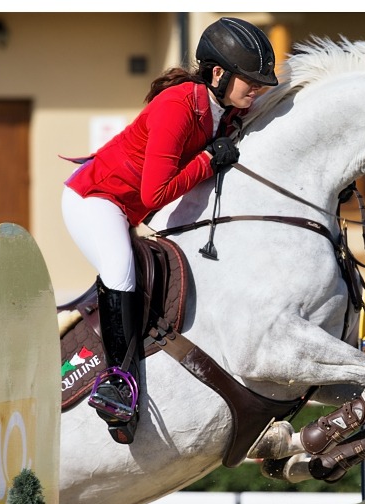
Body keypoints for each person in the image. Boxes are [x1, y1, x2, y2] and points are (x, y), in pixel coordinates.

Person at [60, 17, 278, 444]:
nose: (257, 89)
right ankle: (118, 383)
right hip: (97, 198)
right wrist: (207, 162)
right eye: (250, 81)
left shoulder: (227, 107)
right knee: (120, 270)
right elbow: (156, 191)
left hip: (132, 204)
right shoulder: (178, 106)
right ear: (218, 73)